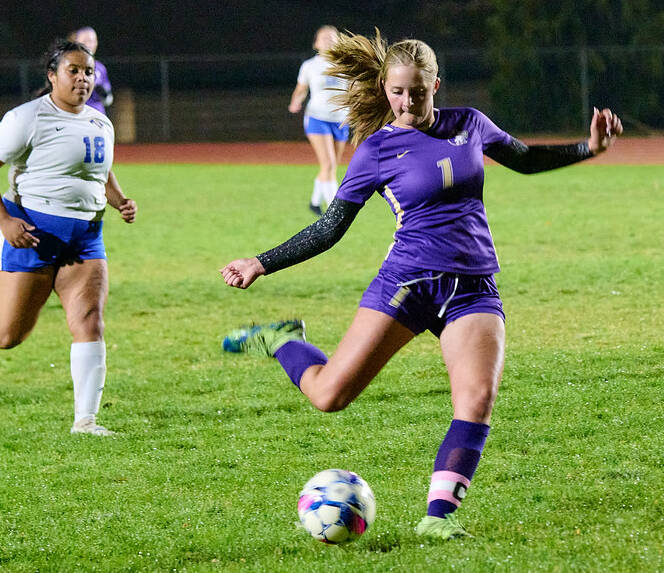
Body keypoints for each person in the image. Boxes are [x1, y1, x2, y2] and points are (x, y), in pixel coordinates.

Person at [220, 30, 622, 539]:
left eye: (418, 91)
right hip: (407, 282)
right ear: (385, 89)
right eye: (397, 92)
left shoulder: (470, 124)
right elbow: (330, 229)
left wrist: (590, 146)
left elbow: (524, 158)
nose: (407, 103)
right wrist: (262, 262)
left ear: (437, 84)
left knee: (476, 399)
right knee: (329, 396)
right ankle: (282, 340)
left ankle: (438, 519)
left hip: (474, 285)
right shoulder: (377, 150)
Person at [0, 39, 137, 436]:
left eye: (88, 72)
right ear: (52, 75)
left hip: (86, 239)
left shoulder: (100, 121)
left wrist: (119, 200)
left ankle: (86, 421)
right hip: (31, 234)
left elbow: (100, 170)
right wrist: (4, 221)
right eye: (73, 71)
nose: (82, 78)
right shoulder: (28, 117)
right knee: (9, 334)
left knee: (89, 322)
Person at [288, 25, 350, 216]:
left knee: (331, 166)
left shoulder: (348, 64)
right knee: (329, 164)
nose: (328, 40)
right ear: (316, 43)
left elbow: (354, 91)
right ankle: (334, 212)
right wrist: (295, 102)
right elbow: (301, 89)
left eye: (332, 37)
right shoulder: (310, 66)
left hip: (340, 120)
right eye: (324, 37)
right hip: (317, 118)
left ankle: (315, 202)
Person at [72, 26, 113, 115]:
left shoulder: (100, 68)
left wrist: (102, 92)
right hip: (77, 117)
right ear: (77, 43)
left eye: (91, 41)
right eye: (85, 41)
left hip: (97, 117)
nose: (88, 45)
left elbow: (108, 100)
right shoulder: (69, 67)